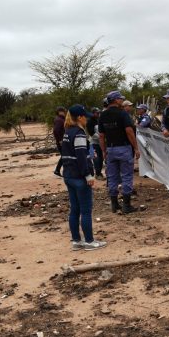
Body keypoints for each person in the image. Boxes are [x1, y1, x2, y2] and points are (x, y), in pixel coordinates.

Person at [61, 105, 106, 251]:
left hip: (68, 175)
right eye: (85, 116)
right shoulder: (79, 133)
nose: (86, 119)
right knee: (86, 210)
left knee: (75, 209)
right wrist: (88, 175)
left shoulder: (68, 132)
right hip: (79, 177)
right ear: (80, 117)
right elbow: (80, 155)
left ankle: (76, 241)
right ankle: (89, 241)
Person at [99, 90, 140, 214]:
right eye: (121, 99)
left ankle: (114, 204)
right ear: (116, 100)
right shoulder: (122, 114)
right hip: (124, 148)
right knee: (127, 176)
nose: (122, 101)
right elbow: (129, 131)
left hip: (110, 149)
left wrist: (104, 151)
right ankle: (126, 205)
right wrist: (136, 148)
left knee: (112, 177)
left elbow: (101, 135)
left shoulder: (103, 115)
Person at [86, 107, 104, 180]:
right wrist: (101, 137)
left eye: (99, 113)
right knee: (96, 159)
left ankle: (99, 173)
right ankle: (97, 173)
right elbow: (91, 134)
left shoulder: (98, 120)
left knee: (101, 158)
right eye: (97, 113)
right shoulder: (89, 121)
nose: (98, 114)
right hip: (92, 144)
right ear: (93, 113)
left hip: (99, 143)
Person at [52, 107, 67, 177]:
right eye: (64, 111)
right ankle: (57, 170)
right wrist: (60, 140)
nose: (65, 112)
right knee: (65, 156)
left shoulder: (61, 119)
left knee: (64, 156)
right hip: (61, 141)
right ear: (60, 112)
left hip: (63, 140)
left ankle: (58, 170)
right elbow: (56, 131)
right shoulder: (59, 120)